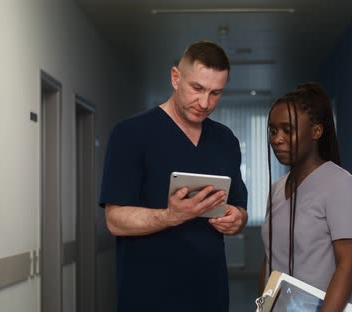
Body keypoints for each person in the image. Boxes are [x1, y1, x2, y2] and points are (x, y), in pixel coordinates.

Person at [100, 40, 248, 312]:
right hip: (148, 297)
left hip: (210, 295)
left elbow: (240, 209)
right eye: (198, 88)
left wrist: (236, 220)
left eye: (216, 93)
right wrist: (170, 216)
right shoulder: (130, 134)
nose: (205, 103)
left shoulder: (225, 140)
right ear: (175, 78)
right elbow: (115, 221)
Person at [260, 83, 352, 312]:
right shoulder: (277, 189)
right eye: (273, 130)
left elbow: (348, 266)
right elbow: (270, 259)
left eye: (287, 130)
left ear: (316, 132)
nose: (277, 139)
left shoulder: (340, 185)